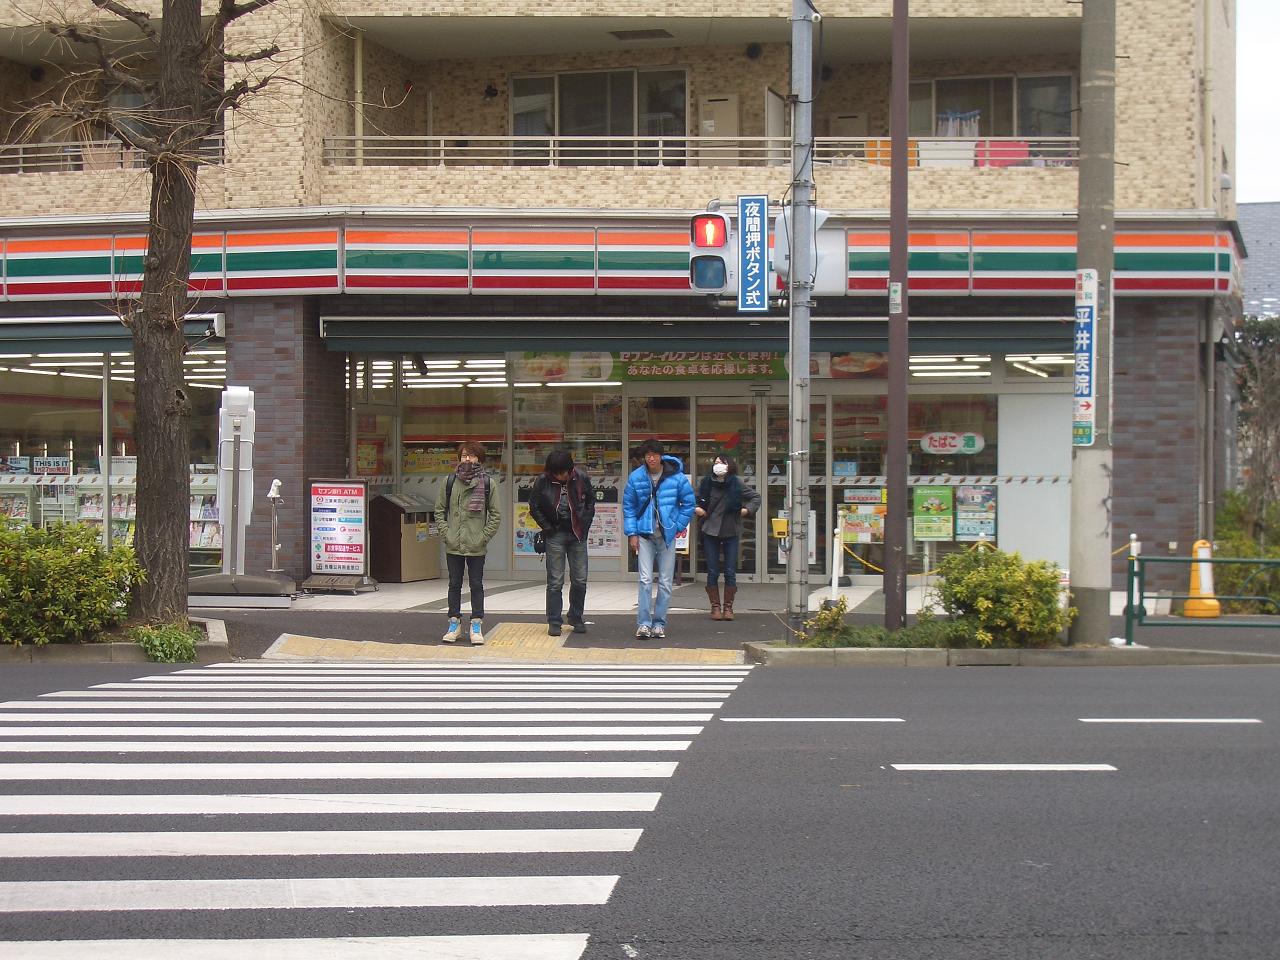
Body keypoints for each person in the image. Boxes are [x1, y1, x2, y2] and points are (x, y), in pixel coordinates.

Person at [623, 439, 695, 640]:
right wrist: (632, 534)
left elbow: (688, 503)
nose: (651, 458)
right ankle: (644, 624)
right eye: (647, 455)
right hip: (644, 534)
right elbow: (628, 506)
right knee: (645, 580)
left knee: (665, 581)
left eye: (654, 454)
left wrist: (677, 525)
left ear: (661, 456)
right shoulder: (636, 477)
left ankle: (659, 623)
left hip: (666, 536)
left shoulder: (676, 477)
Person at [434, 441, 501, 645]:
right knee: (454, 584)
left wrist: (483, 537)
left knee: (476, 584)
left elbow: (495, 515)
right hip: (454, 543)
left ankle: (476, 623)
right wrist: (447, 534)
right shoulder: (449, 482)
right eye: (463, 456)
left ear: (479, 459)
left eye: (471, 456)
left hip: (475, 544)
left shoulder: (488, 483)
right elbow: (439, 511)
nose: (467, 459)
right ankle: (454, 622)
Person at [528, 449, 596, 636]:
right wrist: (547, 527)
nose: (560, 476)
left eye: (563, 472)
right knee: (555, 581)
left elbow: (590, 502)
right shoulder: (543, 480)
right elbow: (534, 506)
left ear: (570, 469)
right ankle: (554, 621)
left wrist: (586, 523)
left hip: (577, 533)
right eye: (556, 473)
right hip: (555, 534)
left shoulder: (580, 477)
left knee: (580, 579)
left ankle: (576, 617)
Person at [695, 455, 761, 620]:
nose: (718, 466)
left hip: (731, 529)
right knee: (712, 570)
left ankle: (728, 607)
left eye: (722, 463)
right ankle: (715, 607)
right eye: (715, 463)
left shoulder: (736, 483)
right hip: (710, 530)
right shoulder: (706, 483)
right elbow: (692, 499)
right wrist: (697, 509)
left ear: (729, 466)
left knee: (730, 570)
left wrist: (746, 510)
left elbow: (755, 497)